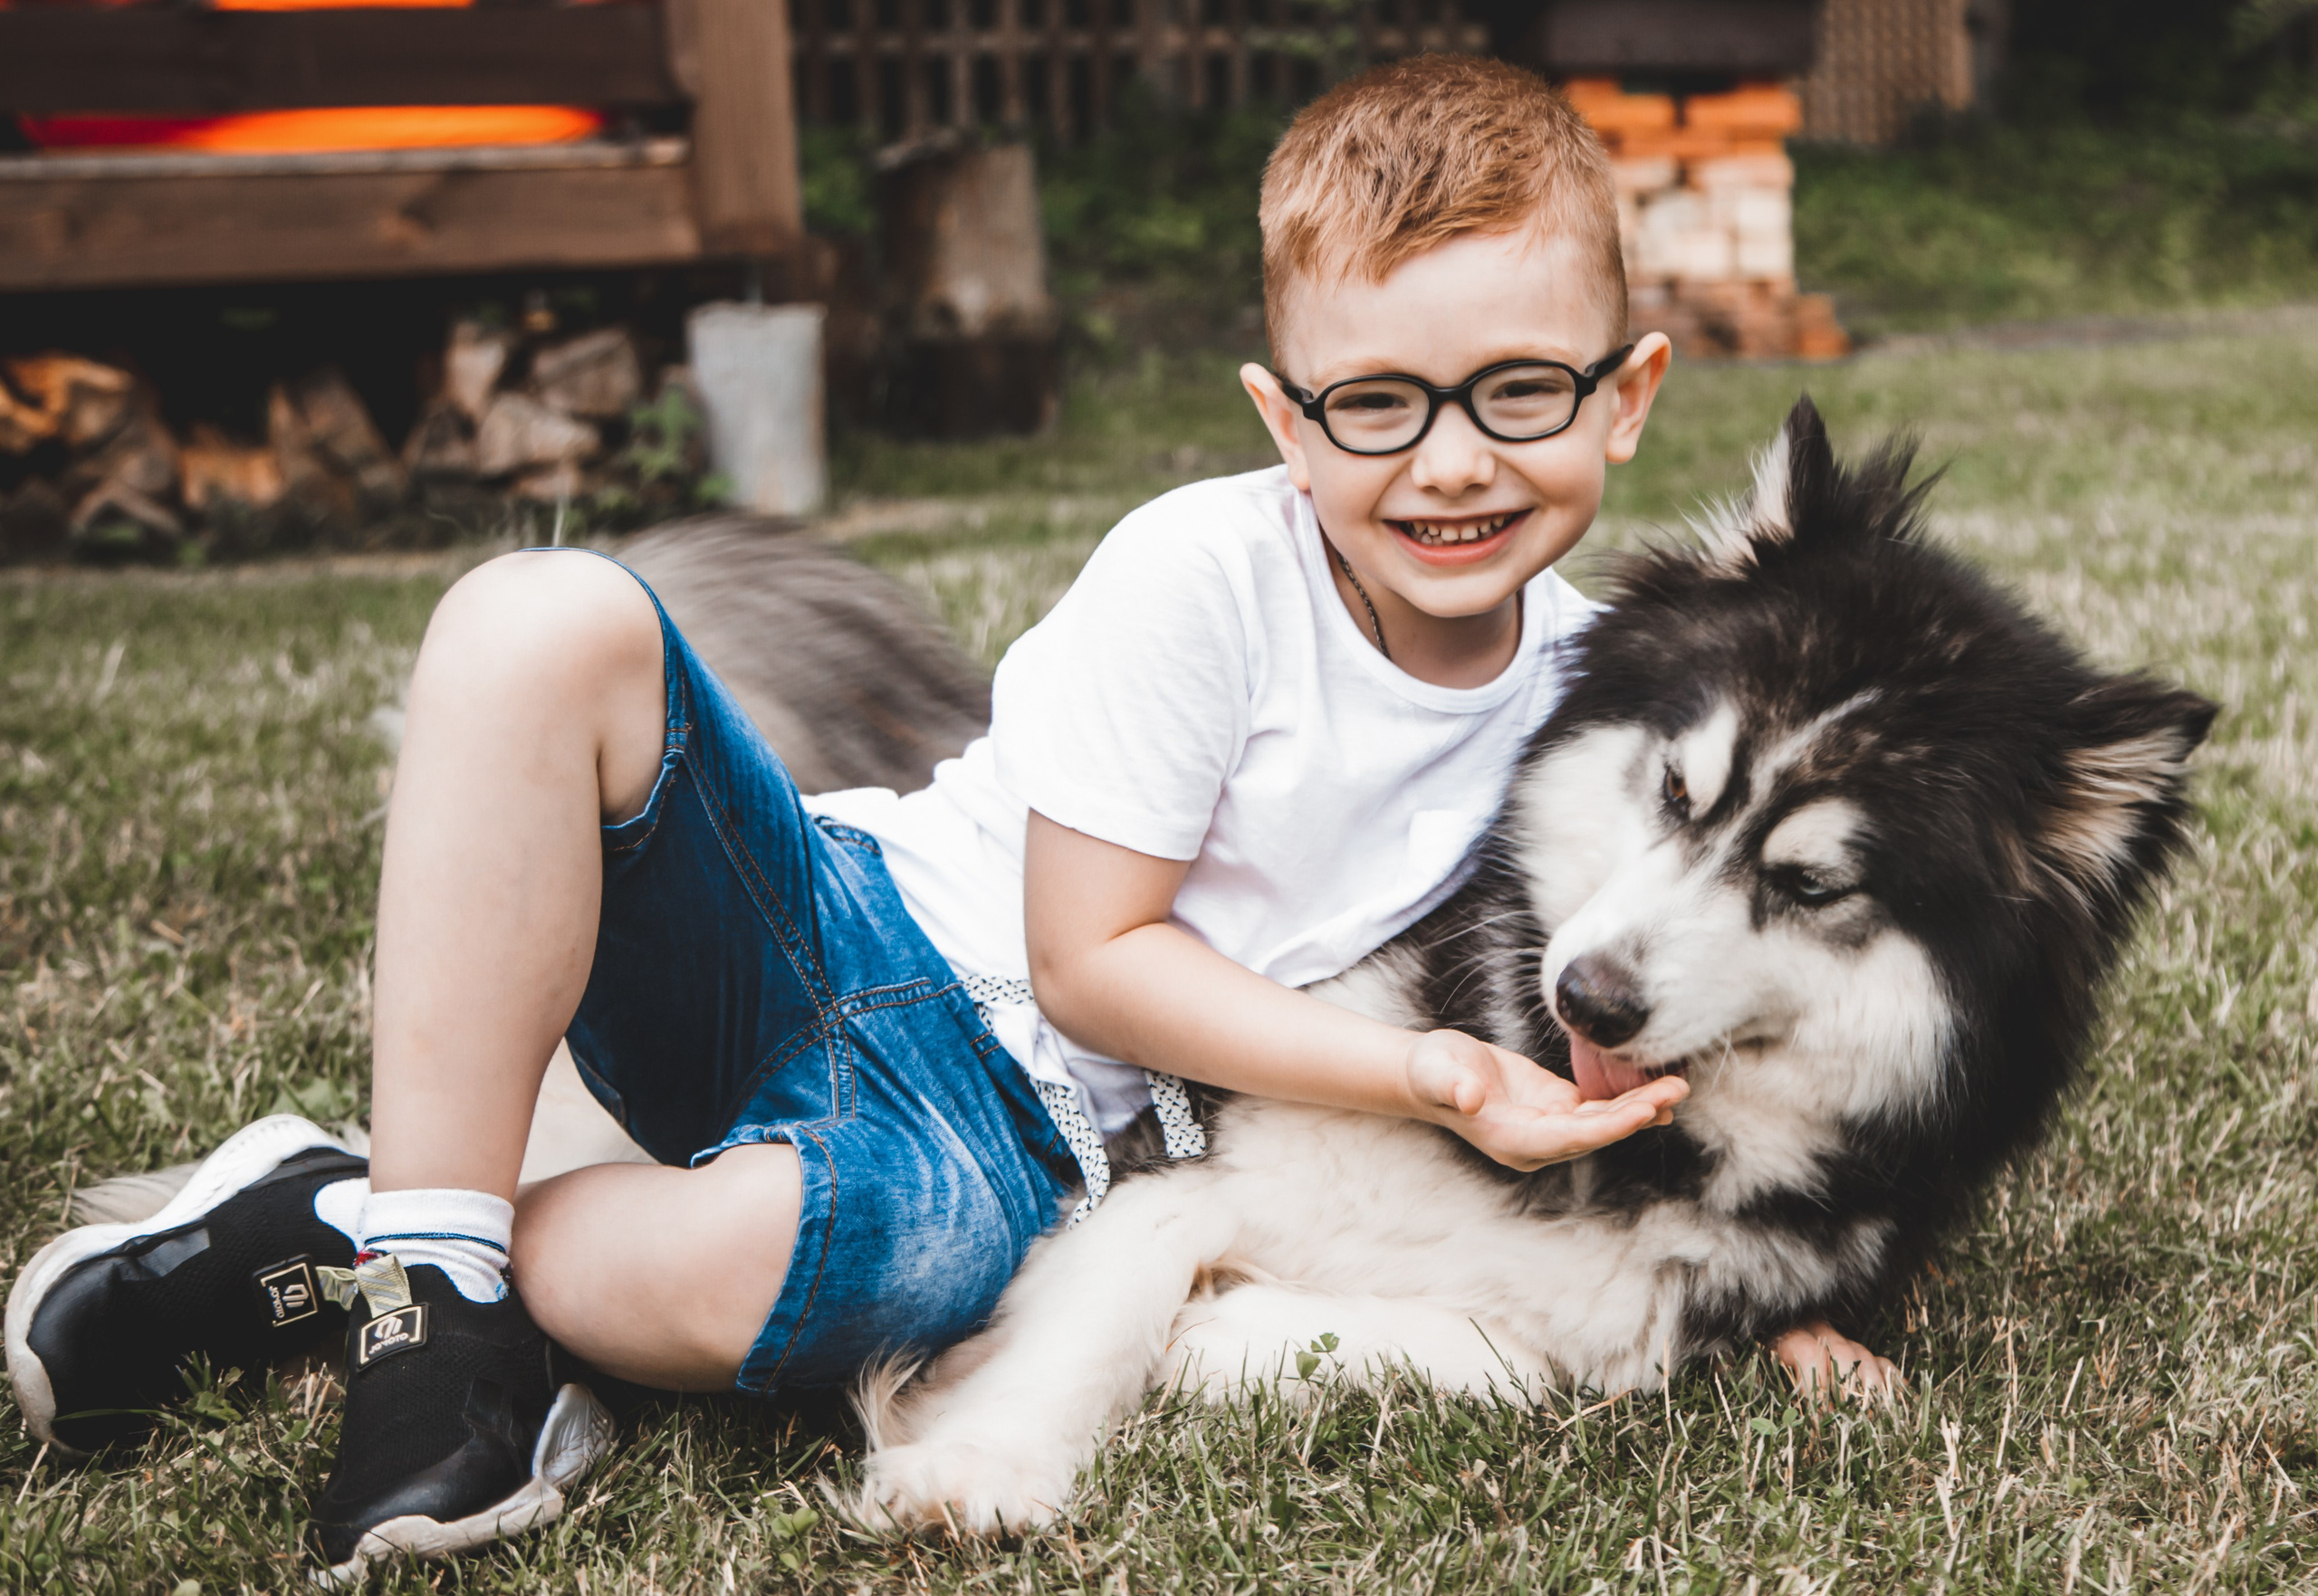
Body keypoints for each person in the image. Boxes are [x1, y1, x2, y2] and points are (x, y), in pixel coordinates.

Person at [5, 53, 1879, 1582]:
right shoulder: (1204, 574)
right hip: (850, 940)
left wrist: (1768, 1298)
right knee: (538, 616)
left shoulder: (1613, 707)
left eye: (1516, 391)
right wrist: (1428, 1085)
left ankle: (339, 1211)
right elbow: (1090, 962)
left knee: (724, 1287)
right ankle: (427, 1284)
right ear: (1281, 420)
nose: (1449, 460)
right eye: (1374, 403)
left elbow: (1710, 986)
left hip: (1016, 1163)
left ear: (1626, 398)